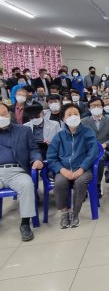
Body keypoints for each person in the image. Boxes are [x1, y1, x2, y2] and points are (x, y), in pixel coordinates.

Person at [47, 103, 99, 229]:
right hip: (64, 169)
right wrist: (62, 170)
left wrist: (82, 168)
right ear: (64, 119)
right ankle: (64, 213)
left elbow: (93, 152)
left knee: (80, 182)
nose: (73, 116)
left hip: (83, 169)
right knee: (59, 182)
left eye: (76, 114)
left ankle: (75, 213)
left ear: (80, 116)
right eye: (69, 114)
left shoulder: (88, 132)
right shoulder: (59, 136)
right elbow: (51, 156)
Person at [0, 103, 44, 241]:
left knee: (27, 185)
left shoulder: (23, 130)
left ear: (10, 113)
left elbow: (34, 149)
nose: (1, 117)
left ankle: (25, 223)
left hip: (17, 171)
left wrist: (37, 160)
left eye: (3, 113)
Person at [81, 98, 109, 197]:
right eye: (93, 105)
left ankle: (97, 184)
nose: (96, 107)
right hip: (88, 150)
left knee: (99, 158)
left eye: (99, 105)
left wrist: (106, 144)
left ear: (102, 107)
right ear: (89, 108)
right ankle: (83, 186)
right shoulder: (83, 121)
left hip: (105, 151)